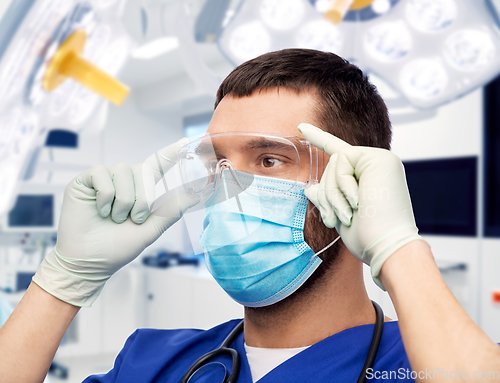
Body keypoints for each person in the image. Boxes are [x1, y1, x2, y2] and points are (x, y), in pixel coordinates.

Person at [0, 49, 499, 383]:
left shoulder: (425, 363)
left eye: (268, 159)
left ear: (358, 180)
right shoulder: (154, 361)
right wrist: (63, 280)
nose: (229, 187)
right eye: (216, 162)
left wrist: (399, 252)